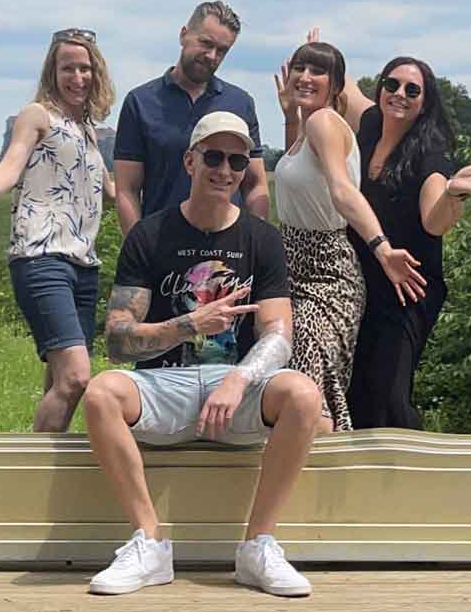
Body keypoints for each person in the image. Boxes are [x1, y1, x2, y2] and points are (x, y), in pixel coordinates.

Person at [81, 111, 324, 598]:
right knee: (101, 391)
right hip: (163, 387)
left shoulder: (261, 238)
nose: (225, 169)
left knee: (301, 392)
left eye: (237, 160)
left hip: (235, 387)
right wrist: (186, 325)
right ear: (190, 161)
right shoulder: (149, 235)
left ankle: (257, 546)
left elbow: (279, 334)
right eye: (213, 156)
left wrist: (239, 379)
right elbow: (118, 340)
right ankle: (149, 543)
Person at [0, 28, 115, 432]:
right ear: (52, 72)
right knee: (77, 376)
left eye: (85, 68)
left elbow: (112, 192)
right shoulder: (37, 116)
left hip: (83, 265)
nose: (77, 77)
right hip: (41, 256)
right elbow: (13, 162)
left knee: (61, 381)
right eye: (68, 68)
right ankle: (34, 469)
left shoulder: (89, 132)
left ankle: (41, 472)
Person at [346, 55, 471, 430]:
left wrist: (453, 193)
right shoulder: (371, 123)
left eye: (412, 90)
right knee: (357, 389)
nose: (399, 94)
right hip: (363, 283)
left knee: (388, 394)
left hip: (408, 289)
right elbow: (345, 86)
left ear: (425, 103)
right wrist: (317, 54)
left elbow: (434, 222)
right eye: (392, 85)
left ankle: (411, 475)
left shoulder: (429, 152)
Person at [268, 40, 425, 433]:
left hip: (325, 272)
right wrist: (290, 118)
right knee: (296, 382)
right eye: (300, 67)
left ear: (336, 85)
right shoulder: (309, 126)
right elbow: (302, 181)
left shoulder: (324, 123)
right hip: (294, 269)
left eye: (318, 71)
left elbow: (340, 190)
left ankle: (317, 481)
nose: (305, 77)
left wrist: (382, 248)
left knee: (307, 386)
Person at [113, 1, 269, 232]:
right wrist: (137, 249)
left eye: (222, 50)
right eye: (206, 43)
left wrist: (258, 241)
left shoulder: (240, 103)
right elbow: (127, 189)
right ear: (184, 35)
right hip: (160, 244)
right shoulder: (141, 102)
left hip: (226, 247)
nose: (211, 56)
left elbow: (255, 183)